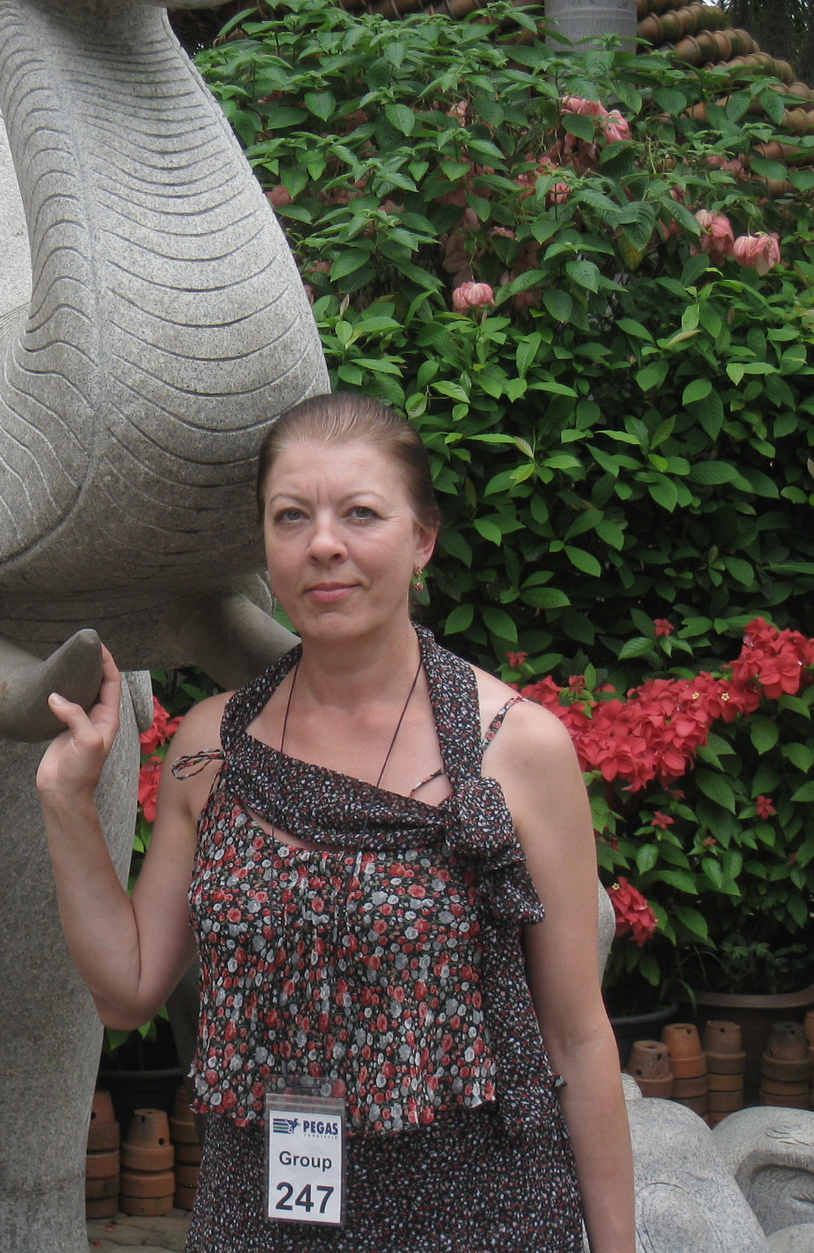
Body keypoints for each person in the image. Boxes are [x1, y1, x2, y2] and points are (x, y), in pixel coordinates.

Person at [36, 391, 635, 1252]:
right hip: (262, 1215)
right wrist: (67, 801)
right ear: (265, 548)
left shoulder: (516, 749)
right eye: (292, 517)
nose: (323, 544)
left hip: (478, 1217)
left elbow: (576, 1038)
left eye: (361, 513)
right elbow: (126, 990)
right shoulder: (214, 749)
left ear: (422, 539)